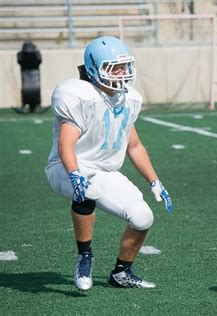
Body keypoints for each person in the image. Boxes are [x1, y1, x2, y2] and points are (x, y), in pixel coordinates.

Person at [44, 36, 173, 291]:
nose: (121, 73)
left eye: (124, 66)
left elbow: (134, 145)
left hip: (106, 172)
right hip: (66, 167)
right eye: (114, 67)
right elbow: (65, 144)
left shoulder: (129, 99)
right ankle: (85, 256)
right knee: (88, 191)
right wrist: (75, 175)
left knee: (143, 217)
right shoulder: (79, 95)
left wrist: (154, 181)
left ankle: (121, 273)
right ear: (94, 69)